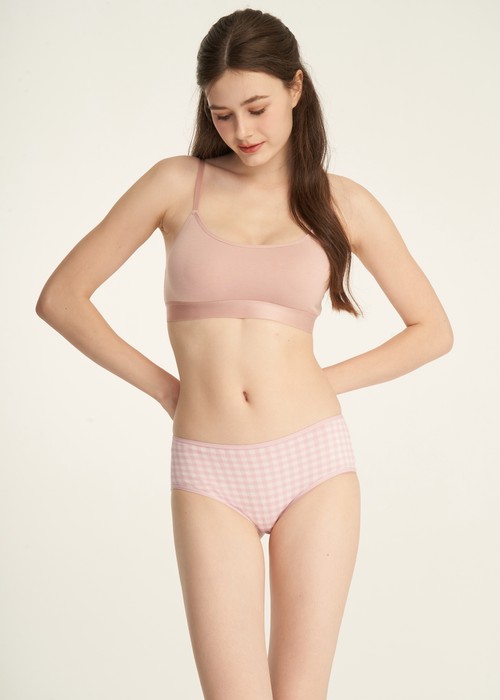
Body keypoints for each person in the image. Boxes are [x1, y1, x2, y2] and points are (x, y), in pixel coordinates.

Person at [36, 8, 453, 700]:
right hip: (209, 469)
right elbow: (62, 298)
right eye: (222, 114)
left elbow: (432, 329)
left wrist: (321, 380)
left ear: (295, 88)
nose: (242, 131)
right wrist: (165, 388)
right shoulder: (177, 184)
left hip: (314, 464)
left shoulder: (342, 202)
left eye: (256, 108)